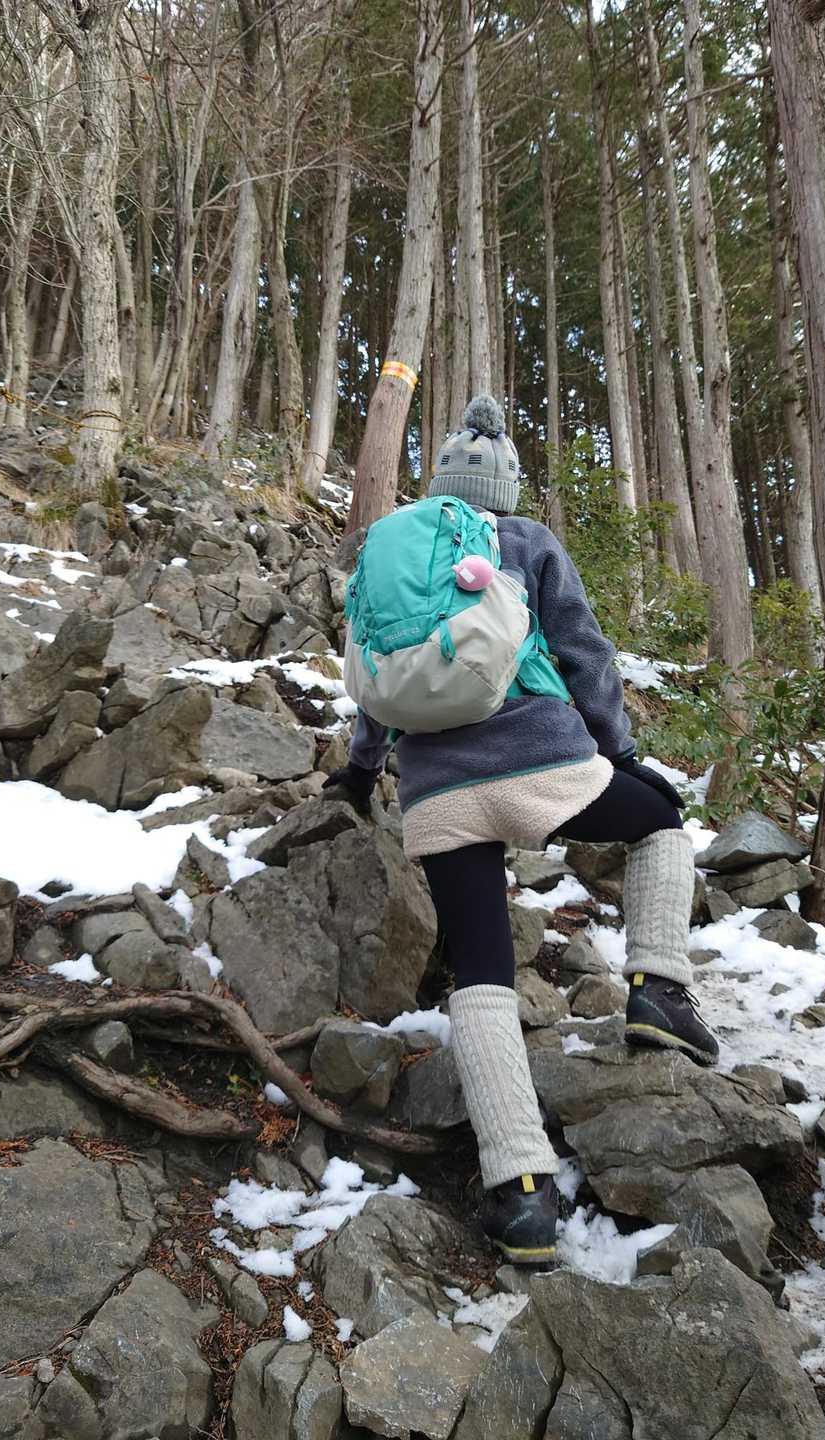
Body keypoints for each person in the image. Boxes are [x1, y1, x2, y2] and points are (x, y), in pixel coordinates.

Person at [324, 395, 717, 1268]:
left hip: (437, 794)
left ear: (440, 488)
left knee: (483, 969)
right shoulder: (528, 541)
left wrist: (359, 772)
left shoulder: (396, 557)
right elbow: (585, 655)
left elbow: (380, 684)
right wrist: (622, 754)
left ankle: (521, 1193)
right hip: (545, 763)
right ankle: (659, 990)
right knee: (660, 822)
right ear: (503, 489)